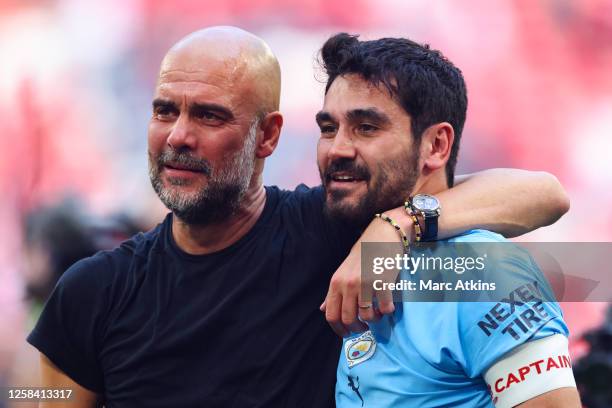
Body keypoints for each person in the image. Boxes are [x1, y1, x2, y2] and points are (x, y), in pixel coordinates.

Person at [27, 27, 569, 407]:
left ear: (268, 136)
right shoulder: (89, 292)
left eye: (209, 115)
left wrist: (397, 224)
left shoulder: (331, 227)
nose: (178, 136)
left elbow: (543, 194)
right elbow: (33, 397)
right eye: (164, 110)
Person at [315, 33, 580, 407]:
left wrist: (399, 223)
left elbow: (550, 193)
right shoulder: (339, 226)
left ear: (436, 145)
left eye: (366, 127)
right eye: (328, 128)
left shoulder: (484, 270)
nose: (337, 148)